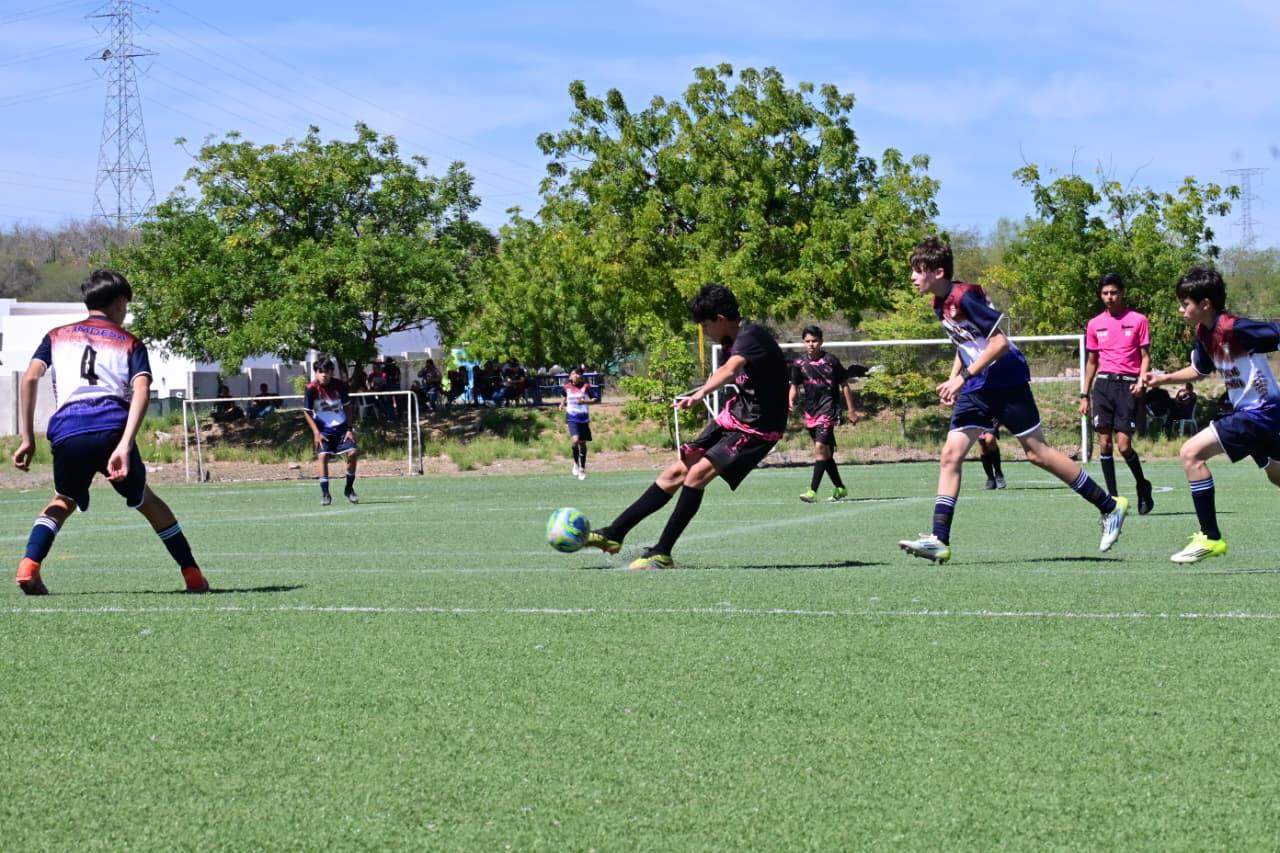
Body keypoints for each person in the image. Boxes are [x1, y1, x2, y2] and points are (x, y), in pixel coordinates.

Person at [897, 237, 1127, 564]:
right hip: (977, 386)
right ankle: (939, 539)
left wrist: (962, 378)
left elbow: (999, 343)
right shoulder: (939, 303)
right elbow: (966, 344)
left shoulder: (965, 296)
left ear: (938, 271)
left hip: (1006, 379)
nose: (912, 277)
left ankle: (1109, 506)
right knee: (950, 455)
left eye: (917, 270)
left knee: (1037, 453)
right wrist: (955, 379)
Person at [11, 269, 209, 595]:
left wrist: (27, 438)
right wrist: (125, 444)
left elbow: (30, 377)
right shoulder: (130, 342)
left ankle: (29, 566)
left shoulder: (56, 336)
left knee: (63, 500)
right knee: (147, 501)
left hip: (68, 428)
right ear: (119, 303)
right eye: (126, 305)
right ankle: (193, 575)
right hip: (111, 427)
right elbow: (141, 389)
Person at [583, 283, 788, 570]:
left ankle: (662, 552)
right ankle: (614, 533)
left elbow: (730, 370)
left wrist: (701, 393)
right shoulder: (730, 339)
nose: (704, 332)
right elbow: (729, 372)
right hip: (736, 416)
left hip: (758, 428)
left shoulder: (751, 336)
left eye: (705, 325)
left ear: (720, 319)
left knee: (696, 476)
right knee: (675, 472)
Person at [1139, 266, 1280, 563]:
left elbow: (1275, 334)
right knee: (1277, 476)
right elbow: (1199, 371)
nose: (1180, 309)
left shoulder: (1235, 328)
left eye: (1185, 303)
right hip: (1255, 415)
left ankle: (1210, 537)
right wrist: (1162, 379)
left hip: (1260, 413)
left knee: (1191, 453)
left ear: (1205, 304)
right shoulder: (1204, 333)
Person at [1079, 273, 1154, 513]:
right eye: (1105, 293)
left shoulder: (1138, 320)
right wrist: (1084, 395)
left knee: (1123, 445)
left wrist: (1142, 380)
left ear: (1122, 293)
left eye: (1113, 292)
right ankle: (1112, 500)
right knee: (1104, 443)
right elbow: (1092, 362)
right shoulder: (1094, 323)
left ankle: (1142, 485)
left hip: (1128, 386)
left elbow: (1145, 357)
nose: (1109, 297)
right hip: (1103, 386)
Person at [788, 325, 859, 502]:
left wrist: (851, 410)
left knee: (820, 448)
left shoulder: (831, 360)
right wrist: (791, 401)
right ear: (803, 343)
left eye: (814, 341)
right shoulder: (799, 363)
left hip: (829, 409)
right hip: (811, 411)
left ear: (821, 342)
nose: (811, 344)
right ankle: (840, 488)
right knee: (825, 453)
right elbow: (795, 386)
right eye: (807, 341)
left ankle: (812, 491)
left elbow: (844, 385)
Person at [302, 358, 360, 506]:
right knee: (322, 456)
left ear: (332, 372)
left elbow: (348, 407)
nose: (324, 374)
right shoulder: (311, 388)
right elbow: (307, 412)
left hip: (341, 430)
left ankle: (349, 488)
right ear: (316, 373)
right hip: (324, 431)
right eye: (320, 371)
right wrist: (316, 432)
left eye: (327, 371)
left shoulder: (340, 385)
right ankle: (325, 493)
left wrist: (349, 429)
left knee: (353, 453)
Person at [560, 366, 597, 480]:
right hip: (572, 417)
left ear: (581, 375)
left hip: (583, 418)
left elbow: (595, 399)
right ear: (570, 376)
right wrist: (562, 404)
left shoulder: (586, 386)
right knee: (575, 440)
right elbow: (564, 395)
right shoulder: (566, 387)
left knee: (582, 443)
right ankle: (575, 463)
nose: (575, 375)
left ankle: (582, 468)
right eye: (573, 373)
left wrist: (584, 401)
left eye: (577, 373)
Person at [977, 421, 1006, 490]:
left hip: (991, 417)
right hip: (977, 418)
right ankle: (990, 478)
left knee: (990, 440)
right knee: (983, 446)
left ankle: (998, 473)